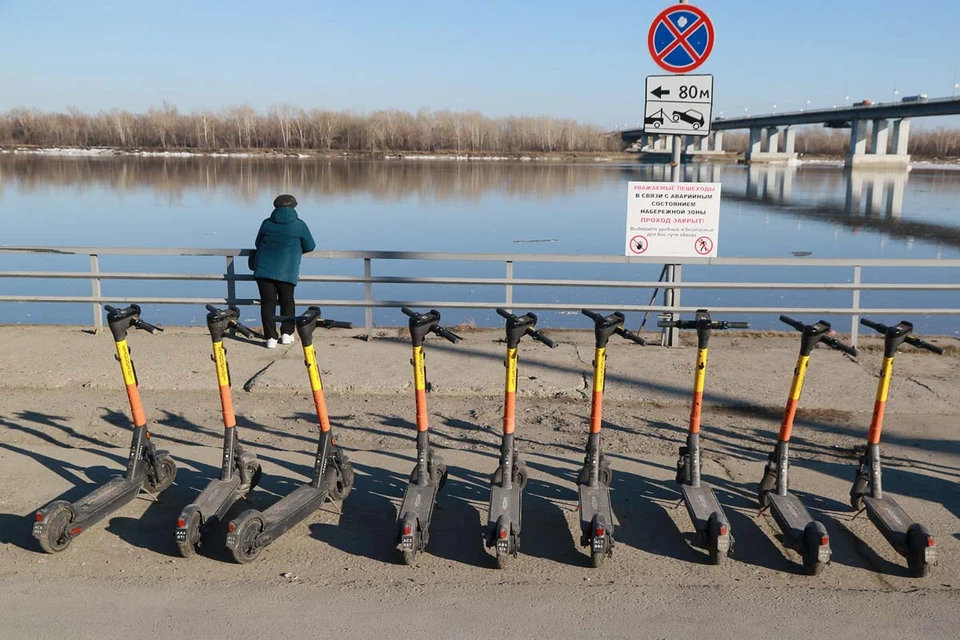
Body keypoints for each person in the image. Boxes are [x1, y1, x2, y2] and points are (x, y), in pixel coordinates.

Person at [252, 194, 316, 348]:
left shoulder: (267, 223)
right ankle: (287, 334)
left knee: (268, 303)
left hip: (263, 269)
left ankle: (270, 339)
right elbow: (310, 245)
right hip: (287, 270)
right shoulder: (299, 225)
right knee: (287, 301)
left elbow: (257, 242)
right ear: (294, 207)